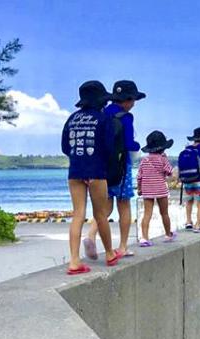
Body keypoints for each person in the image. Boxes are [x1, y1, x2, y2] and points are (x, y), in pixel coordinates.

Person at [61, 81, 120, 275]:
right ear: (101, 101)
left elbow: (65, 147)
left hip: (75, 171)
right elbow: (110, 149)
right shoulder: (104, 120)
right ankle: (110, 254)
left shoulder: (71, 119)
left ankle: (74, 261)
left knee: (78, 214)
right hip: (96, 171)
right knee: (100, 214)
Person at [83, 80, 145, 260]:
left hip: (103, 167)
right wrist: (137, 145)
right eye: (133, 100)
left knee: (105, 206)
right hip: (121, 167)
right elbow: (128, 143)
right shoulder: (126, 117)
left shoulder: (103, 113)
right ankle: (123, 247)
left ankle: (91, 235)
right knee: (124, 204)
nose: (133, 104)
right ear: (127, 100)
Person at [136, 131, 175, 246]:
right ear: (163, 147)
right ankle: (168, 234)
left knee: (147, 214)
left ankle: (144, 238)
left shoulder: (144, 160)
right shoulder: (162, 159)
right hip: (161, 190)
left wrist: (139, 189)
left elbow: (139, 176)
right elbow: (169, 172)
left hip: (147, 190)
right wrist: (165, 160)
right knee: (164, 213)